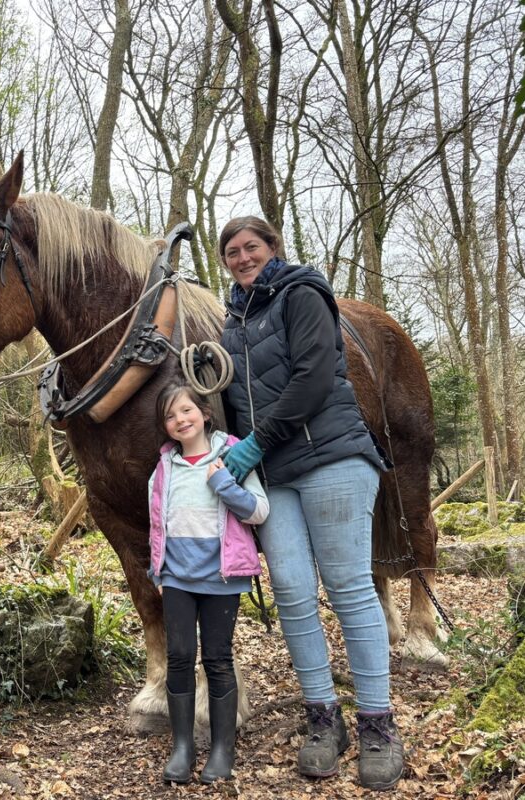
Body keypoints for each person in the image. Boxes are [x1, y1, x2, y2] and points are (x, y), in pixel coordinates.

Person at [217, 216, 403, 791]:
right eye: (231, 252)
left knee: (349, 587)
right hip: (273, 478)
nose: (242, 258)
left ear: (272, 247)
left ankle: (378, 723)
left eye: (251, 247)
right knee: (294, 594)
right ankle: (323, 719)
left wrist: (256, 443)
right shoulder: (234, 322)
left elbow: (314, 376)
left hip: (331, 459)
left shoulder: (302, 292)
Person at [147, 384, 268, 785]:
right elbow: (156, 524)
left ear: (204, 413)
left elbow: (259, 511)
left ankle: (221, 748)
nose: (180, 420)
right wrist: (158, 571)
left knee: (217, 659)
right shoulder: (164, 469)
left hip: (221, 578)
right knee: (179, 658)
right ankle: (182, 747)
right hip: (178, 579)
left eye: (186, 410)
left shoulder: (230, 456)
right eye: (170, 415)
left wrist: (224, 484)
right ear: (165, 427)